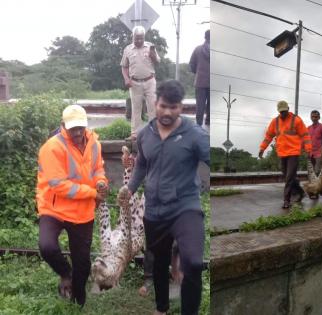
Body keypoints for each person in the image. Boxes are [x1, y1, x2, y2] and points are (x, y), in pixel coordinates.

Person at [123, 80, 209, 315]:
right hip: (154, 210)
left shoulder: (195, 135)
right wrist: (130, 188)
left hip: (185, 207)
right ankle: (162, 308)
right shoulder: (144, 134)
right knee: (159, 262)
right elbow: (141, 163)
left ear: (182, 107)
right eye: (163, 106)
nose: (168, 112)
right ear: (155, 103)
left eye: (174, 107)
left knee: (192, 263)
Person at [36, 105, 108, 306]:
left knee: (83, 265)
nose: (77, 132)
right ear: (62, 126)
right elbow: (60, 186)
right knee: (47, 247)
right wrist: (93, 193)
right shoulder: (52, 148)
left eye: (81, 127)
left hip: (82, 211)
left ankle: (78, 303)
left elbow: (97, 170)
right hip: (54, 208)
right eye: (72, 128)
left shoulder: (94, 142)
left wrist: (101, 183)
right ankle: (66, 274)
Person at [258, 100, 312, 209]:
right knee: (288, 177)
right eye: (281, 112)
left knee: (289, 177)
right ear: (278, 111)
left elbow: (305, 136)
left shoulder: (296, 120)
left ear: (288, 109)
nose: (283, 114)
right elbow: (268, 136)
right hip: (282, 153)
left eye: (284, 111)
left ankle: (286, 200)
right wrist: (262, 148)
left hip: (293, 153)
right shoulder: (275, 122)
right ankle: (301, 192)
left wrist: (308, 149)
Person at [121, 25, 160, 138]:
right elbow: (124, 66)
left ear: (144, 37)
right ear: (132, 37)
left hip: (150, 81)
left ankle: (153, 133)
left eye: (141, 38)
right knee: (136, 108)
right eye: (136, 38)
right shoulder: (127, 49)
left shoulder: (150, 47)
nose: (139, 40)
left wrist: (152, 54)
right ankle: (135, 134)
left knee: (152, 107)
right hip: (134, 83)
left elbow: (157, 62)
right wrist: (126, 78)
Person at [189, 30, 210, 127]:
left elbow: (192, 64)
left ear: (205, 37)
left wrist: (197, 72)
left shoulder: (197, 49)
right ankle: (209, 123)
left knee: (200, 105)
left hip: (200, 81)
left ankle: (198, 124)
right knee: (212, 104)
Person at [308, 110, 322, 176]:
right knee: (311, 171)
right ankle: (313, 185)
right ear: (310, 117)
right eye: (312, 117)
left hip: (319, 153)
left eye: (316, 117)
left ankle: (319, 185)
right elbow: (306, 141)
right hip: (310, 153)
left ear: (319, 117)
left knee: (317, 171)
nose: (314, 118)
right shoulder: (308, 128)